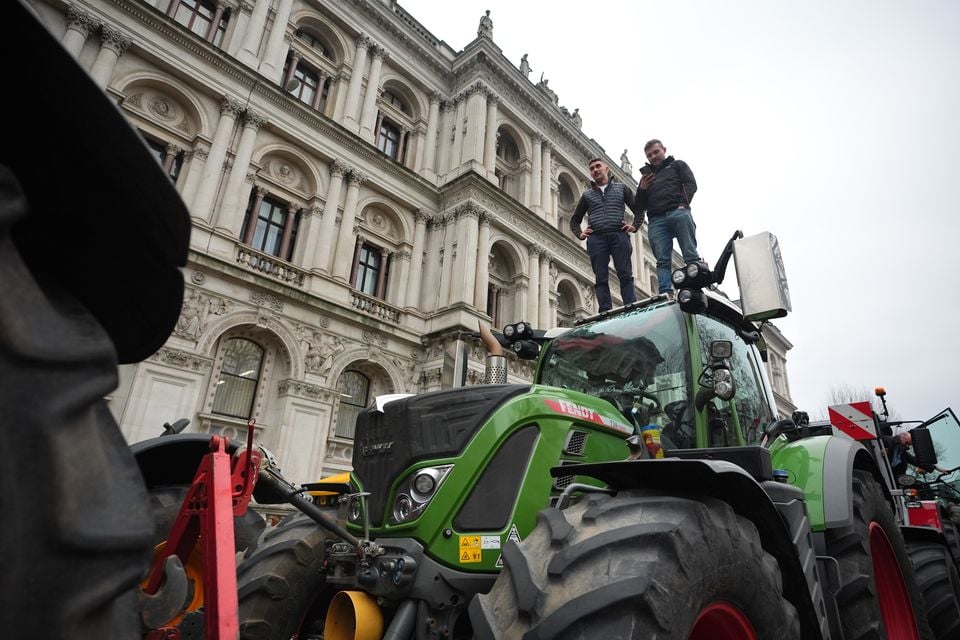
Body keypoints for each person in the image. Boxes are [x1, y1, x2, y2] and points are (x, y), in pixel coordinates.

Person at [569, 157, 639, 312]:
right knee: (601, 277)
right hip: (596, 238)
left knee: (625, 274)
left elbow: (638, 209)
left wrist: (635, 226)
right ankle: (605, 309)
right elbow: (575, 220)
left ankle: (630, 305)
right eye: (592, 168)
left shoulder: (621, 188)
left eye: (598, 166)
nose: (595, 170)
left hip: (619, 235)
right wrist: (580, 234)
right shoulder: (587, 196)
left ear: (607, 169)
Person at [634, 139, 700, 298]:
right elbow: (638, 206)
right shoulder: (646, 178)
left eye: (656, 152)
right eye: (649, 155)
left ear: (664, 150)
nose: (653, 156)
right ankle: (665, 292)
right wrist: (642, 189)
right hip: (657, 220)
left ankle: (697, 283)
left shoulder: (678, 165)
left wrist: (684, 204)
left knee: (689, 252)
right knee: (662, 260)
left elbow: (691, 184)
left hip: (678, 212)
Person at [882, 431, 947, 477]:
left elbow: (916, 461)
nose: (907, 446)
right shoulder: (885, 440)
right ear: (900, 437)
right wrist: (881, 450)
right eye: (907, 442)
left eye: (909, 445)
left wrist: (937, 468)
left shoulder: (903, 454)